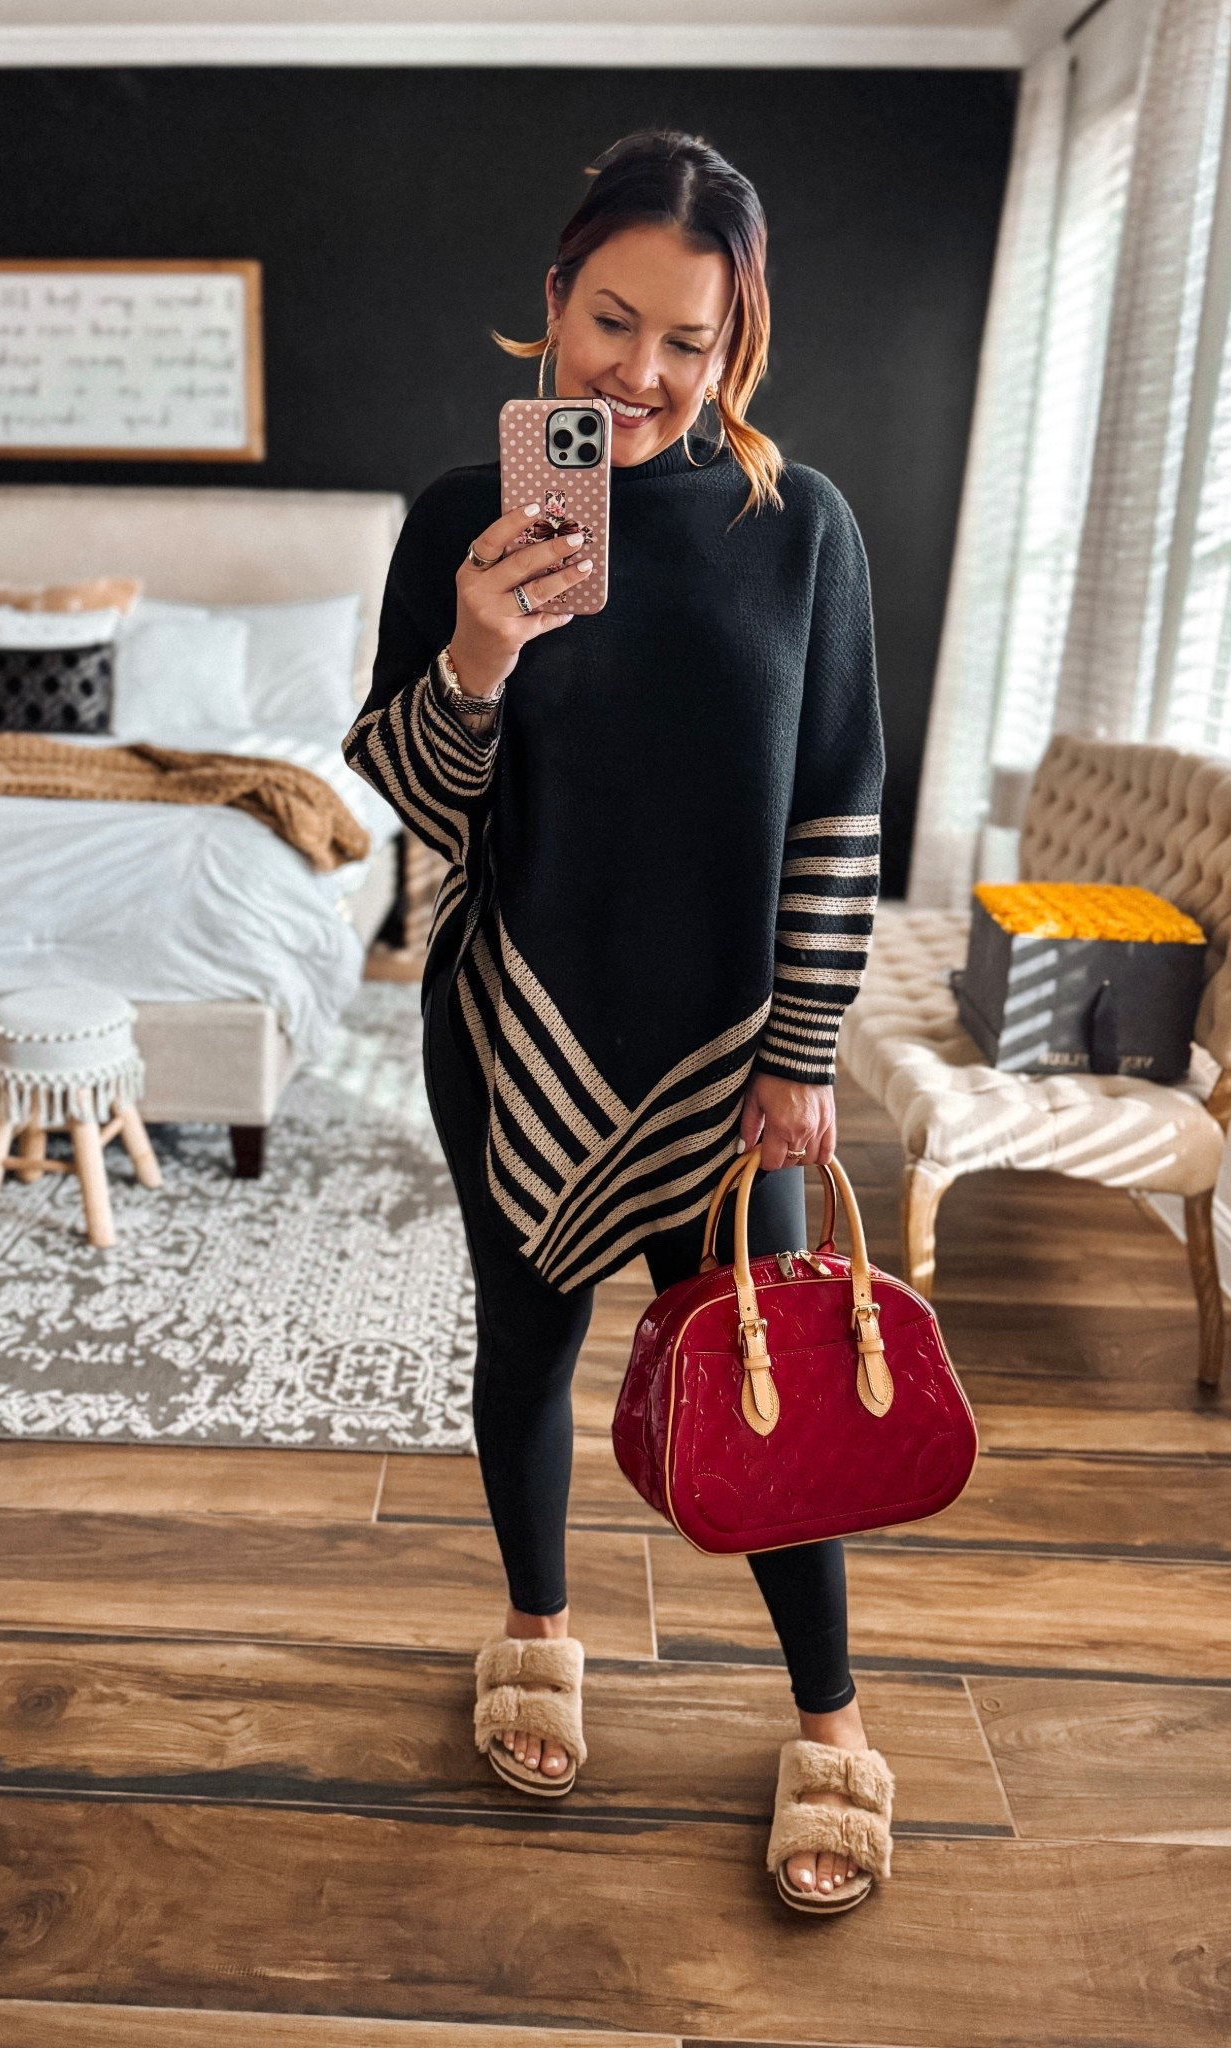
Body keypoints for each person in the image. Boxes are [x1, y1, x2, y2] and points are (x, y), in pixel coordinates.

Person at [343, 128, 892, 1912]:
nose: (640, 373)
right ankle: (536, 1633)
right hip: (515, 1027)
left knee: (768, 1385)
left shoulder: (800, 530)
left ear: (738, 343)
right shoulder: (460, 516)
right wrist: (478, 653)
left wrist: (804, 1054)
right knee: (528, 1350)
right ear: (554, 302)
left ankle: (830, 1722)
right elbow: (414, 806)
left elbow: (838, 809)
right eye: (610, 321)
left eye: (688, 340)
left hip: (735, 1064)